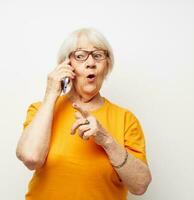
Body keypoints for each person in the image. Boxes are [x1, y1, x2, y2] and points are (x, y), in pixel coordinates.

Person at [16, 28, 152, 200]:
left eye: (98, 55)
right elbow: (30, 158)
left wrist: (107, 141)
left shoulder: (126, 119)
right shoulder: (41, 110)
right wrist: (51, 94)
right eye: (80, 56)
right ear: (66, 65)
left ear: (107, 66)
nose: (90, 63)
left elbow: (140, 185)